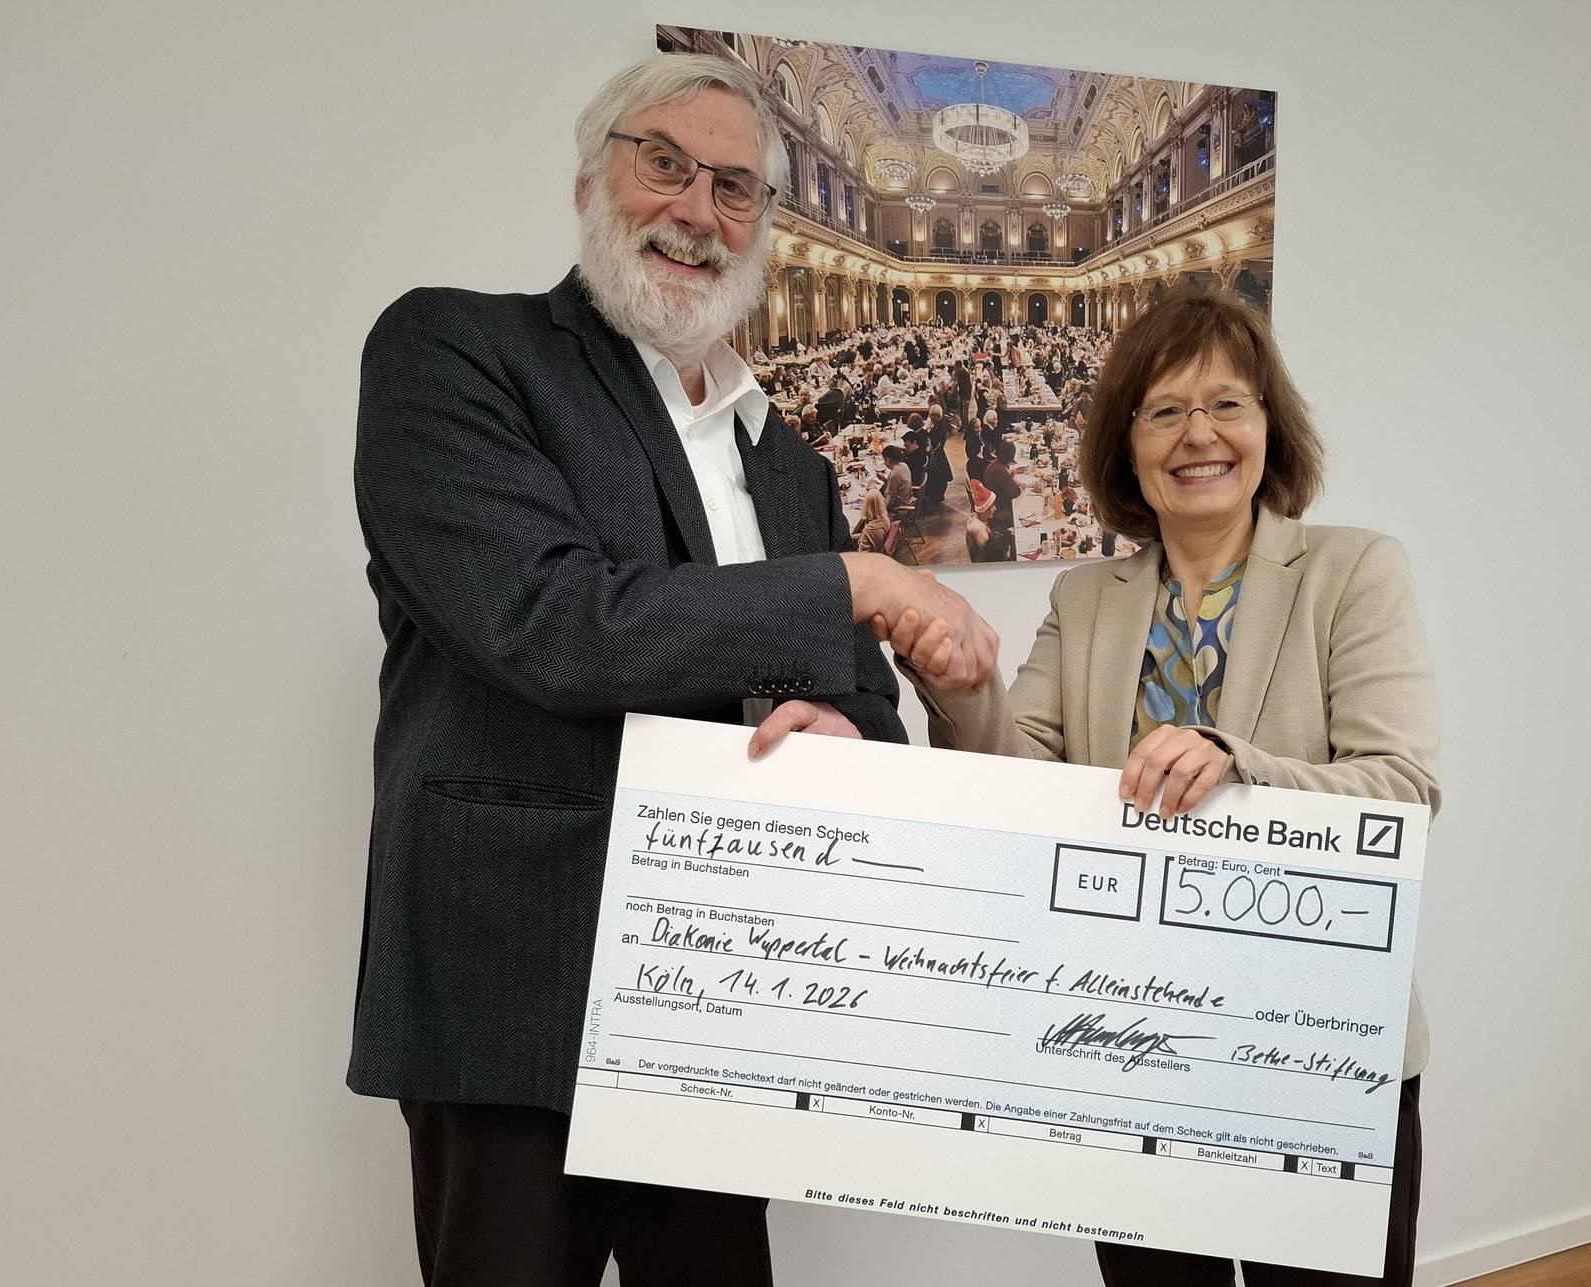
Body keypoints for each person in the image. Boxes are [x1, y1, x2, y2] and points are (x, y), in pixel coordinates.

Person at [348, 52, 997, 1287]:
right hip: (513, 985)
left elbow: (864, 702)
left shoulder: (792, 464)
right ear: (595, 176)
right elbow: (557, 623)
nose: (698, 212)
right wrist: (860, 582)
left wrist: (852, 733)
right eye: (665, 165)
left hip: (721, 1000)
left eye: (737, 188)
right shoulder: (454, 351)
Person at [892, 292, 1438, 1287]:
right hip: (1132, 1043)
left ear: (1271, 425)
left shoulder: (1354, 570)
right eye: (1164, 410)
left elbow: (1402, 787)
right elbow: (1026, 782)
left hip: (1313, 1045)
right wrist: (958, 684)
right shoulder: (1082, 597)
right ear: (1127, 445)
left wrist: (1237, 761)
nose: (1200, 435)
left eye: (1228, 404)